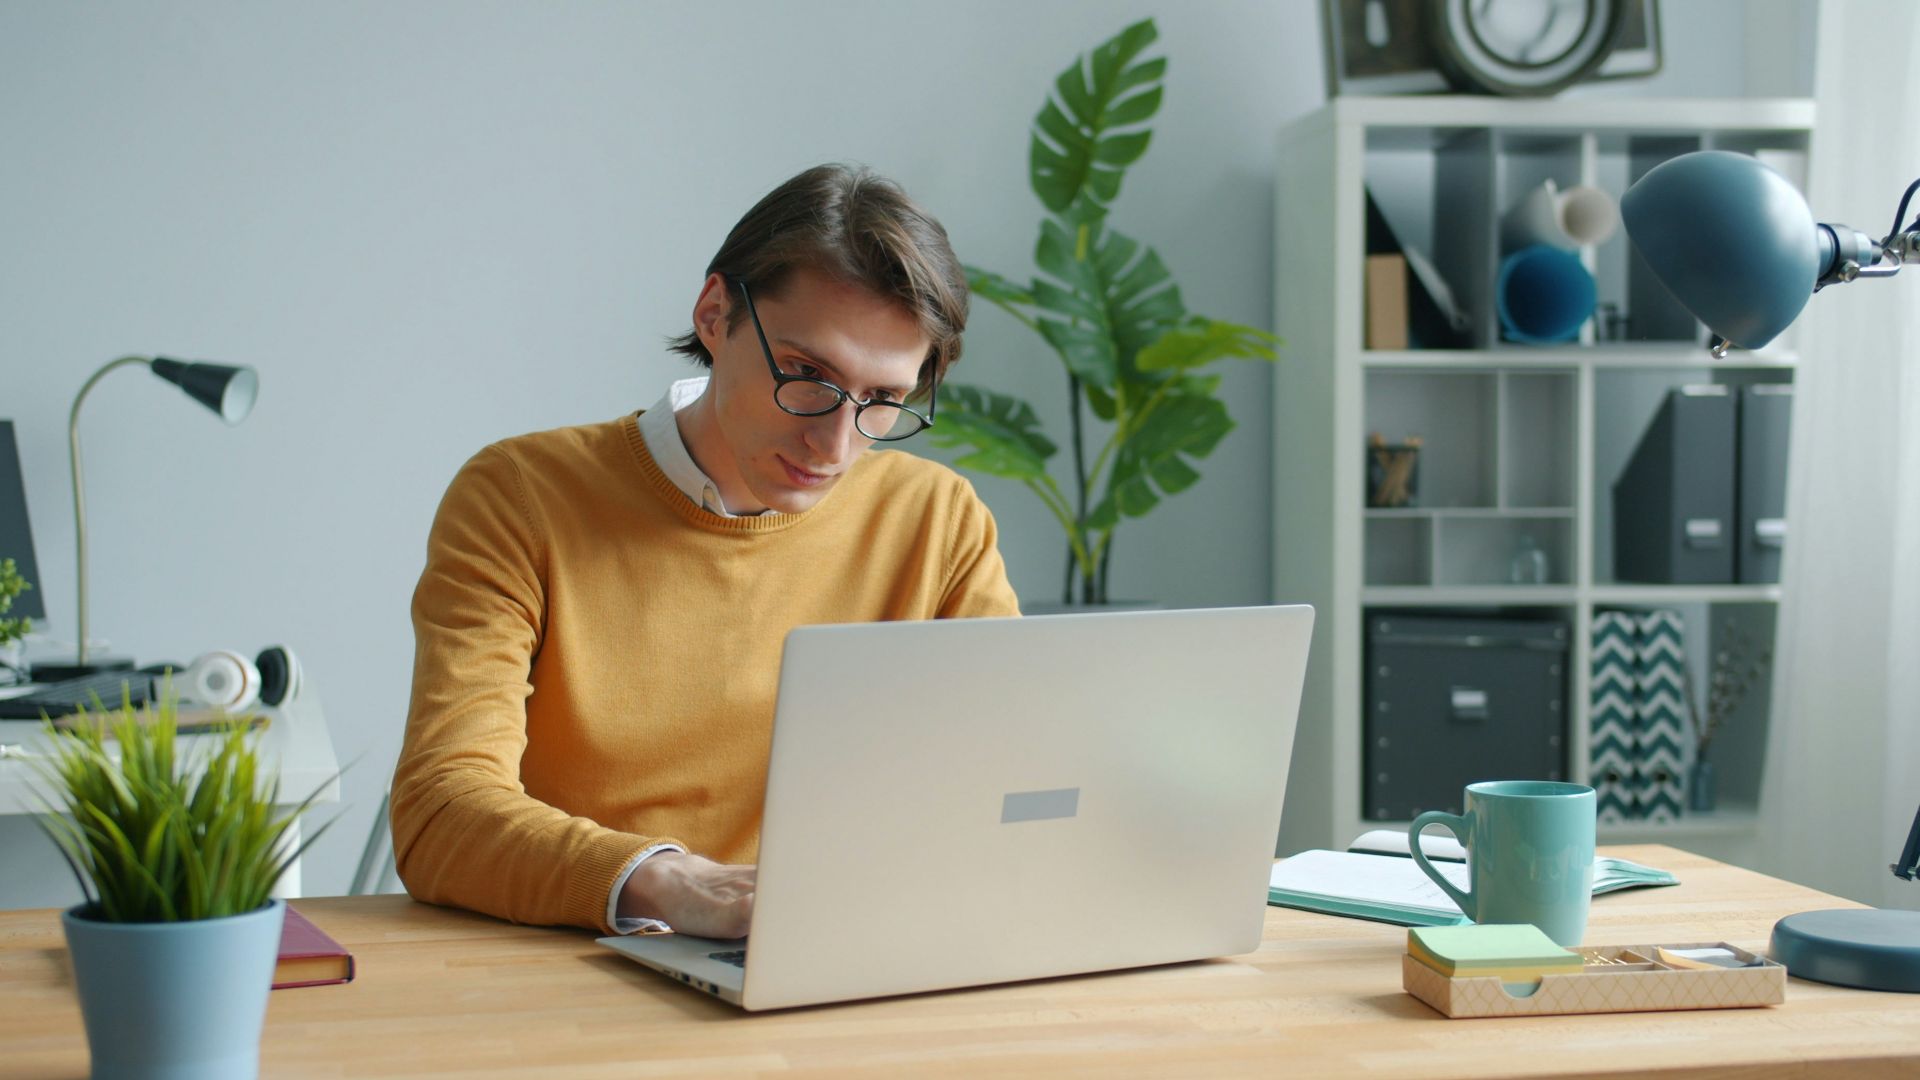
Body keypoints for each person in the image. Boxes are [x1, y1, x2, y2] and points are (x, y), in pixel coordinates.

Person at [390, 164, 1020, 939]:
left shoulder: (936, 521)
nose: (833, 440)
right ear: (715, 314)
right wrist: (666, 882)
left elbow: (1013, 781)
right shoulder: (521, 497)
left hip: (830, 961)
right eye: (806, 373)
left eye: (884, 400)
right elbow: (440, 813)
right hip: (580, 970)